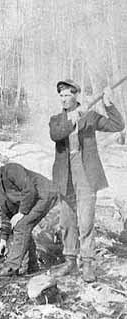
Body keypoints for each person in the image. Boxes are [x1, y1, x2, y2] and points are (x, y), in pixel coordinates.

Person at [49, 79, 124, 282]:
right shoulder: (56, 119)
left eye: (67, 95)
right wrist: (71, 120)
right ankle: (70, 261)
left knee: (86, 221)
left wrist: (108, 103)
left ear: (76, 96)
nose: (63, 99)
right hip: (65, 176)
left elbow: (118, 125)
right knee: (66, 221)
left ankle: (88, 264)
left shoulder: (90, 116)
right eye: (61, 95)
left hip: (86, 174)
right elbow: (56, 135)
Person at [0, 155, 58, 276]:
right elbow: (6, 214)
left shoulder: (11, 170)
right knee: (23, 226)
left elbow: (29, 190)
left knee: (22, 226)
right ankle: (32, 266)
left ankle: (10, 267)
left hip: (45, 193)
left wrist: (21, 212)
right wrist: (3, 238)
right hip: (35, 199)